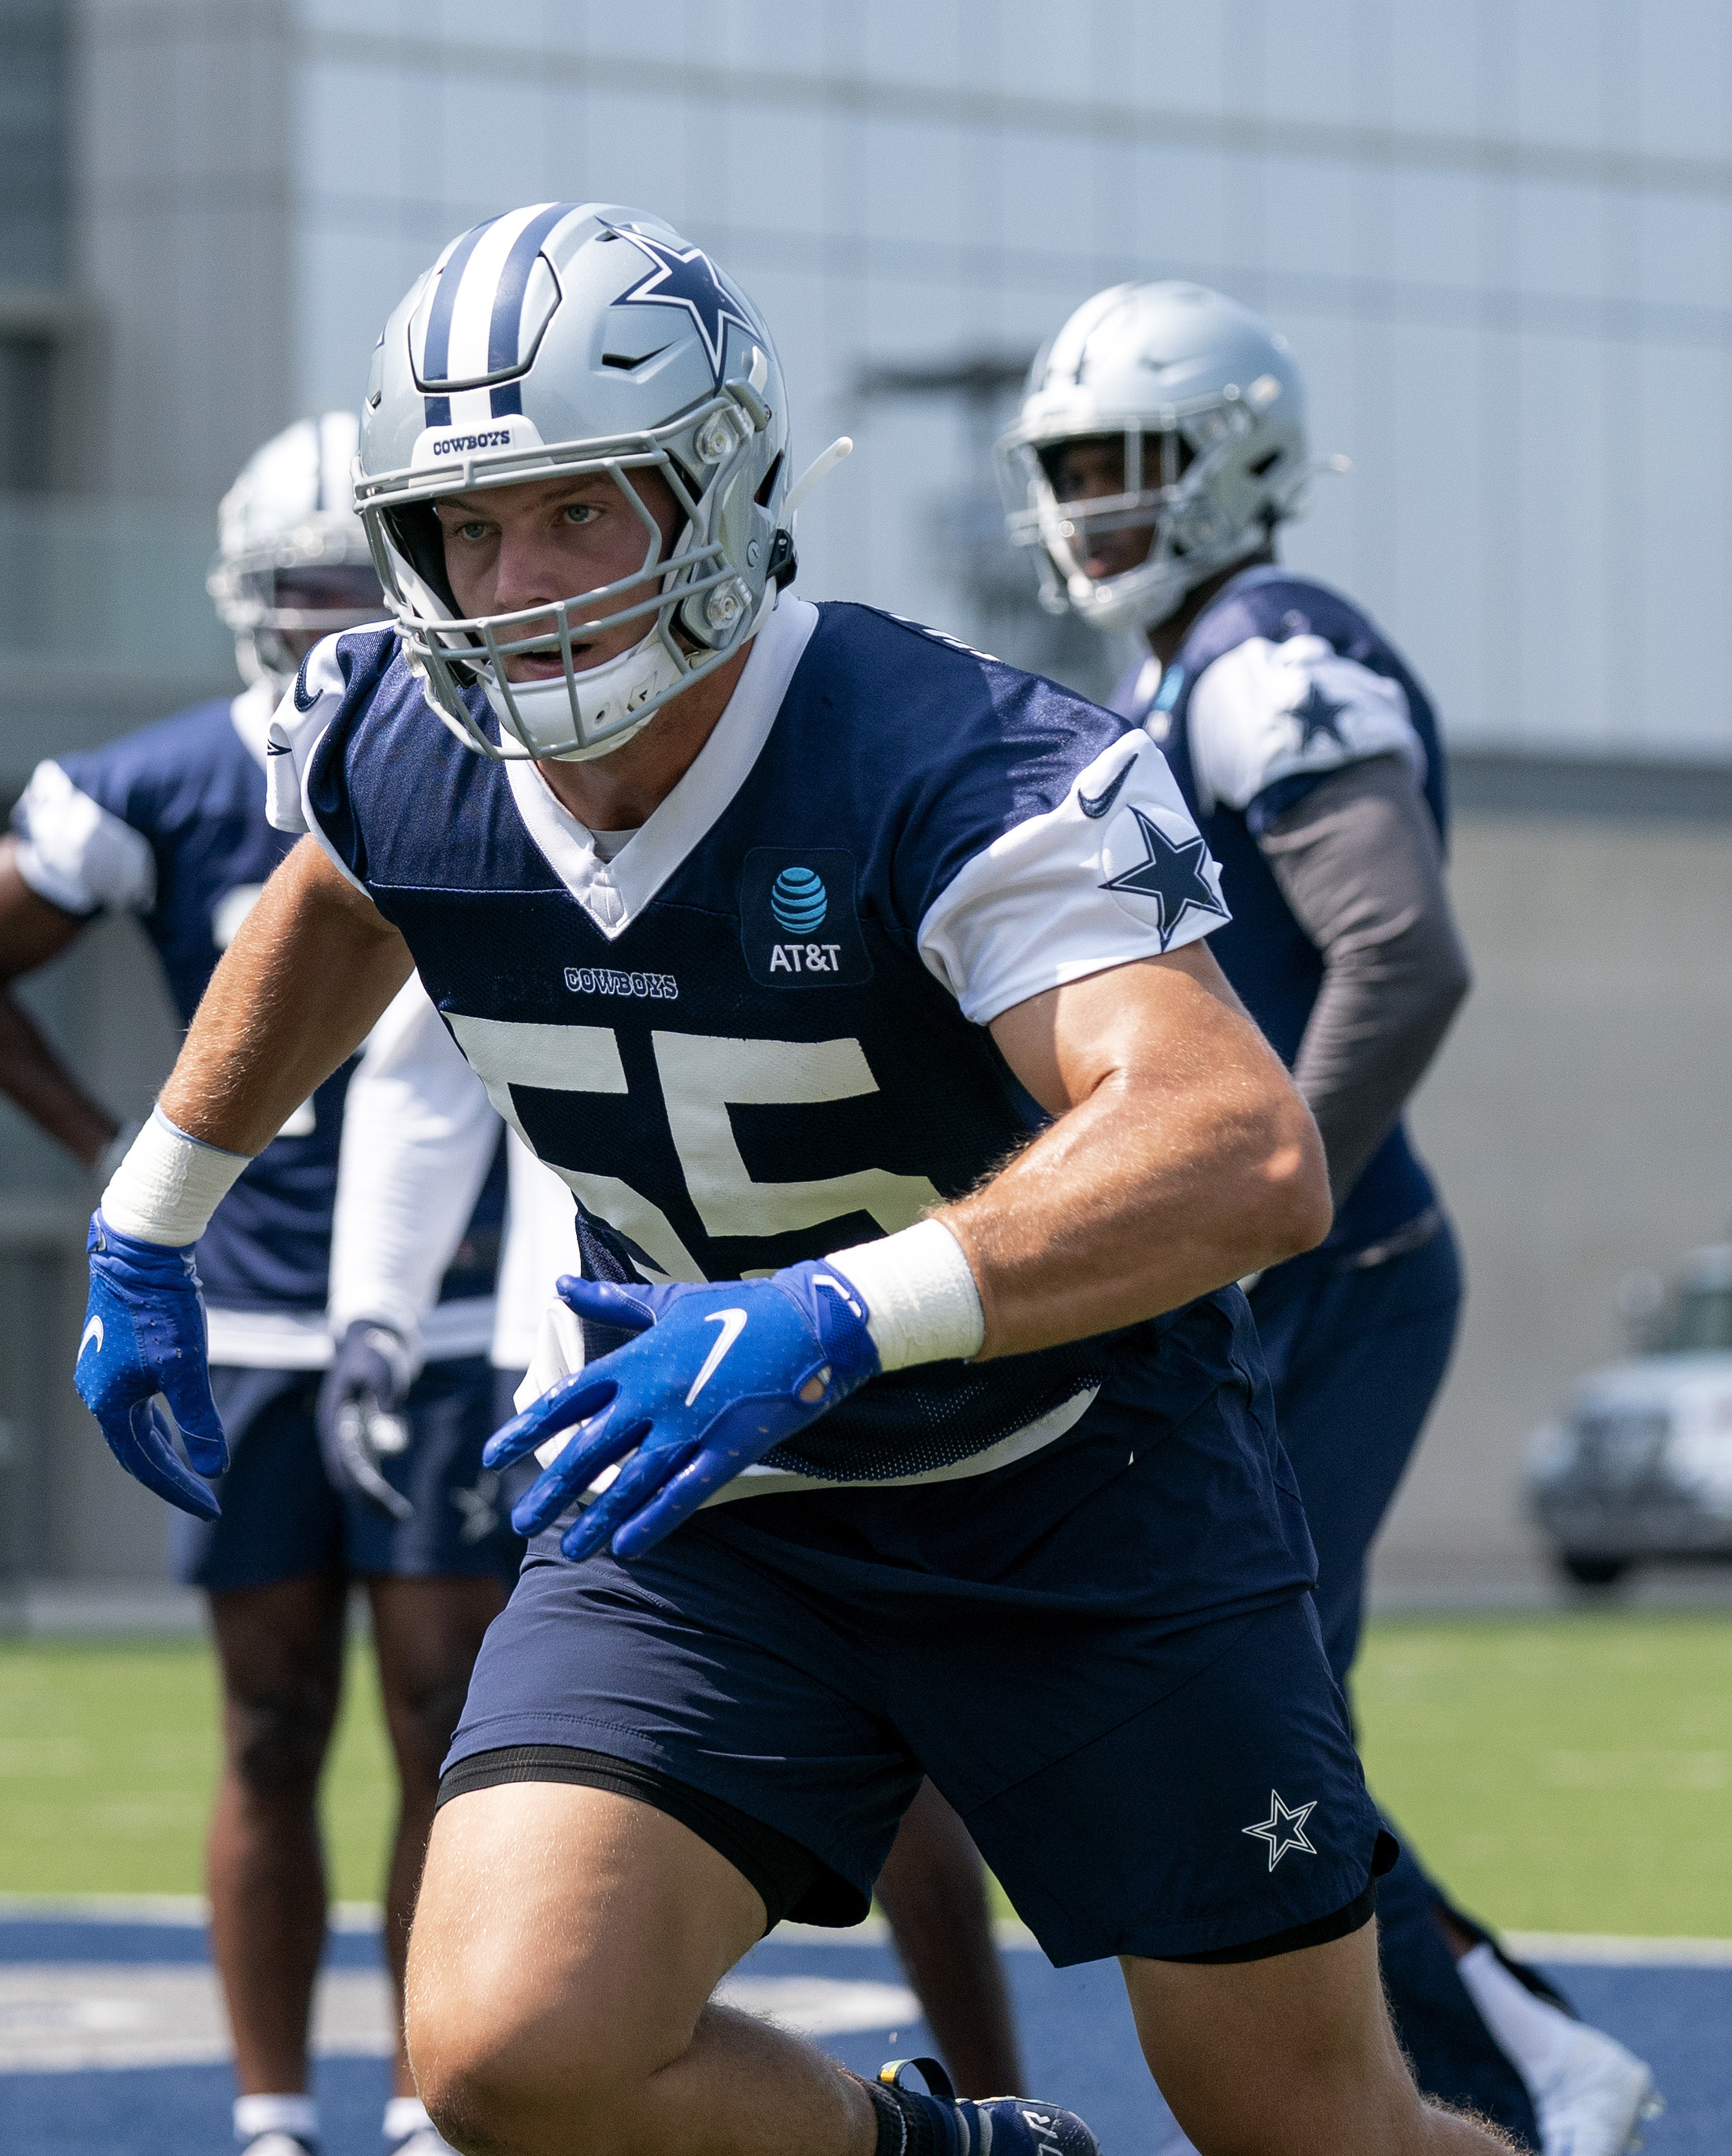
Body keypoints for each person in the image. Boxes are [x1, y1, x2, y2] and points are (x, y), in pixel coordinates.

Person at [74, 198, 1525, 2156]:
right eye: (464, 528)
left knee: (1312, 2128)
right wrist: (155, 1206)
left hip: (1075, 1493)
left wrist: (841, 1310)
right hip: (716, 1505)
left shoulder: (946, 758)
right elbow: (338, 897)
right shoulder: (404, 741)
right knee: (509, 2050)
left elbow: (1242, 1148)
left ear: (717, 492)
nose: (517, 584)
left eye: (581, 510)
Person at [1001, 281, 1660, 2156]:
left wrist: (1255, 1202)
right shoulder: (1171, 671)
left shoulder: (1269, 655)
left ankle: (1508, 2068)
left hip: (1326, 1273)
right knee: (1233, 1723)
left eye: (1120, 464)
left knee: (1244, 1721)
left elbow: (1395, 947)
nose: (1086, 506)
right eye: (1063, 470)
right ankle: (1509, 2057)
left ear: (1237, 460)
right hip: (1264, 1283)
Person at [0, 412, 515, 2156]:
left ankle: (423, 2100)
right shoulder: (170, 779)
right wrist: (126, 1153)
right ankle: (268, 2113)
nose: (325, 627)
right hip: (239, 1308)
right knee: (267, 1719)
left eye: (351, 589)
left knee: (441, 1720)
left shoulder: (485, 758)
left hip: (457, 1306)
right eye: (294, 591)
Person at [337, 1028, 1028, 2097]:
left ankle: (989, 2100)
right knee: (506, 1776)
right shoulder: (456, 861)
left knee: (900, 1750)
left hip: (852, 1350)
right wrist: (367, 1308)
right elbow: (412, 1064)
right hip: (590, 1358)